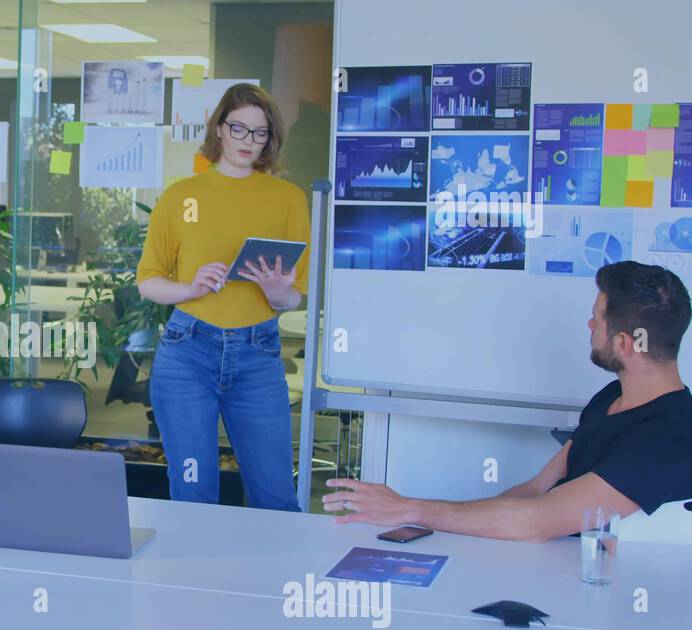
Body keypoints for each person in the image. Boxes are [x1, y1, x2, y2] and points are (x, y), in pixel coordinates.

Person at [325, 261, 692, 540]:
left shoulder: (667, 437)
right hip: (558, 567)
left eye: (597, 319)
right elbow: (535, 490)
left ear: (626, 344)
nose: (589, 325)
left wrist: (409, 509)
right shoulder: (613, 397)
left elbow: (539, 520)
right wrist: (430, 522)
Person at [136, 83, 309, 510]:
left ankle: (277, 578)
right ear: (218, 130)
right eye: (239, 129)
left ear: (270, 139)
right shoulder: (181, 196)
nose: (248, 141)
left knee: (275, 494)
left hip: (258, 352)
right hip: (188, 351)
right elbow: (148, 281)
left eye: (260, 132)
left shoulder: (288, 199)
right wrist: (191, 288)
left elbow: (293, 299)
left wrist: (276, 291)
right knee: (193, 493)